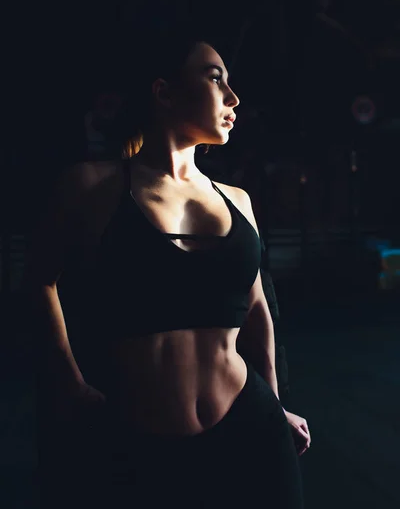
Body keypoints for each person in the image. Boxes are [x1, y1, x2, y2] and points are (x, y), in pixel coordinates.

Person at [24, 25, 310, 508]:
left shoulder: (238, 200)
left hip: (251, 433)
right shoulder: (91, 187)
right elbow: (39, 280)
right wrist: (67, 381)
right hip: (137, 445)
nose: (233, 97)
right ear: (164, 92)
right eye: (215, 78)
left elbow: (259, 310)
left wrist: (276, 404)